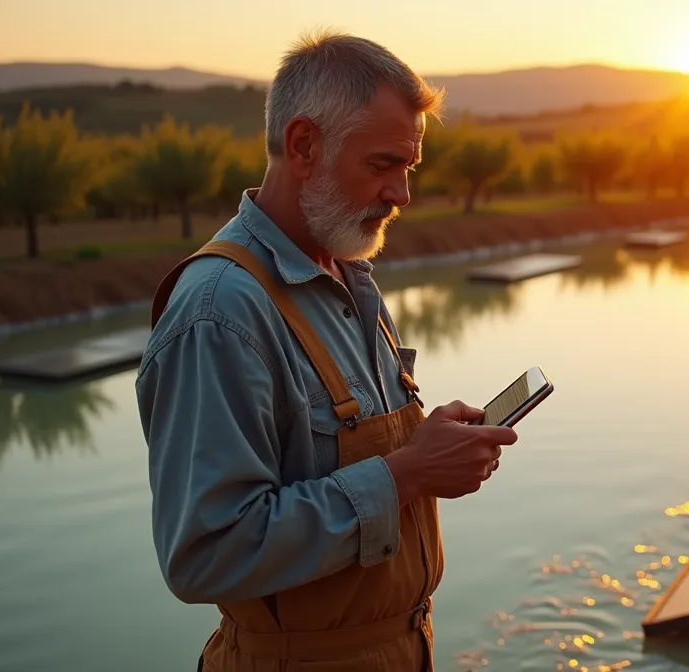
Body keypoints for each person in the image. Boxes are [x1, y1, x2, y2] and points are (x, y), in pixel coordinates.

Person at [135, 30, 517, 672]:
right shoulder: (220, 312)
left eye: (408, 168)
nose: (401, 194)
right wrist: (409, 474)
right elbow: (206, 554)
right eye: (381, 165)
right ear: (303, 145)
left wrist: (429, 446)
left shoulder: (346, 274)